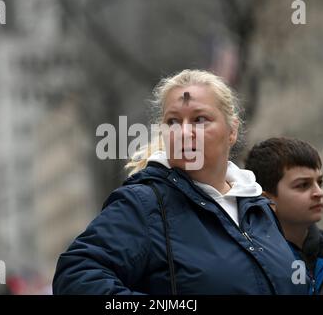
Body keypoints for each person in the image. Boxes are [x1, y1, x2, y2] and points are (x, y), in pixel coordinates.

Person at [52, 70, 308, 295]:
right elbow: (75, 277)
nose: (184, 132)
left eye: (199, 119)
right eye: (173, 121)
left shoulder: (259, 207)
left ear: (232, 131)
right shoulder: (143, 204)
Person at [244, 137, 323, 295]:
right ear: (266, 200)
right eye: (303, 185)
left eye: (320, 183)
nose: (319, 193)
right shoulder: (252, 264)